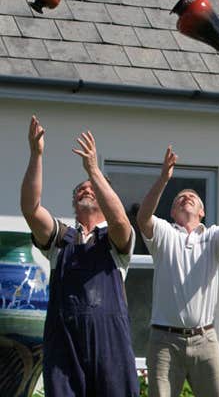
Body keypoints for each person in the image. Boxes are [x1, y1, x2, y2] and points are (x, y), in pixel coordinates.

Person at [20, 116, 138, 396]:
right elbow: (30, 208)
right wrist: (36, 154)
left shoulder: (114, 239)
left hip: (110, 344)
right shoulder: (60, 238)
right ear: (74, 202)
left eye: (93, 188)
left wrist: (93, 170)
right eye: (81, 189)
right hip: (64, 341)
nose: (86, 189)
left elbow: (121, 221)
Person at [136, 146, 219, 397]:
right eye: (180, 198)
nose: (186, 197)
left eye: (193, 197)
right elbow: (143, 217)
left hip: (205, 340)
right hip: (164, 341)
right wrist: (163, 179)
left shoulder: (214, 236)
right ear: (173, 212)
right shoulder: (164, 233)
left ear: (202, 212)